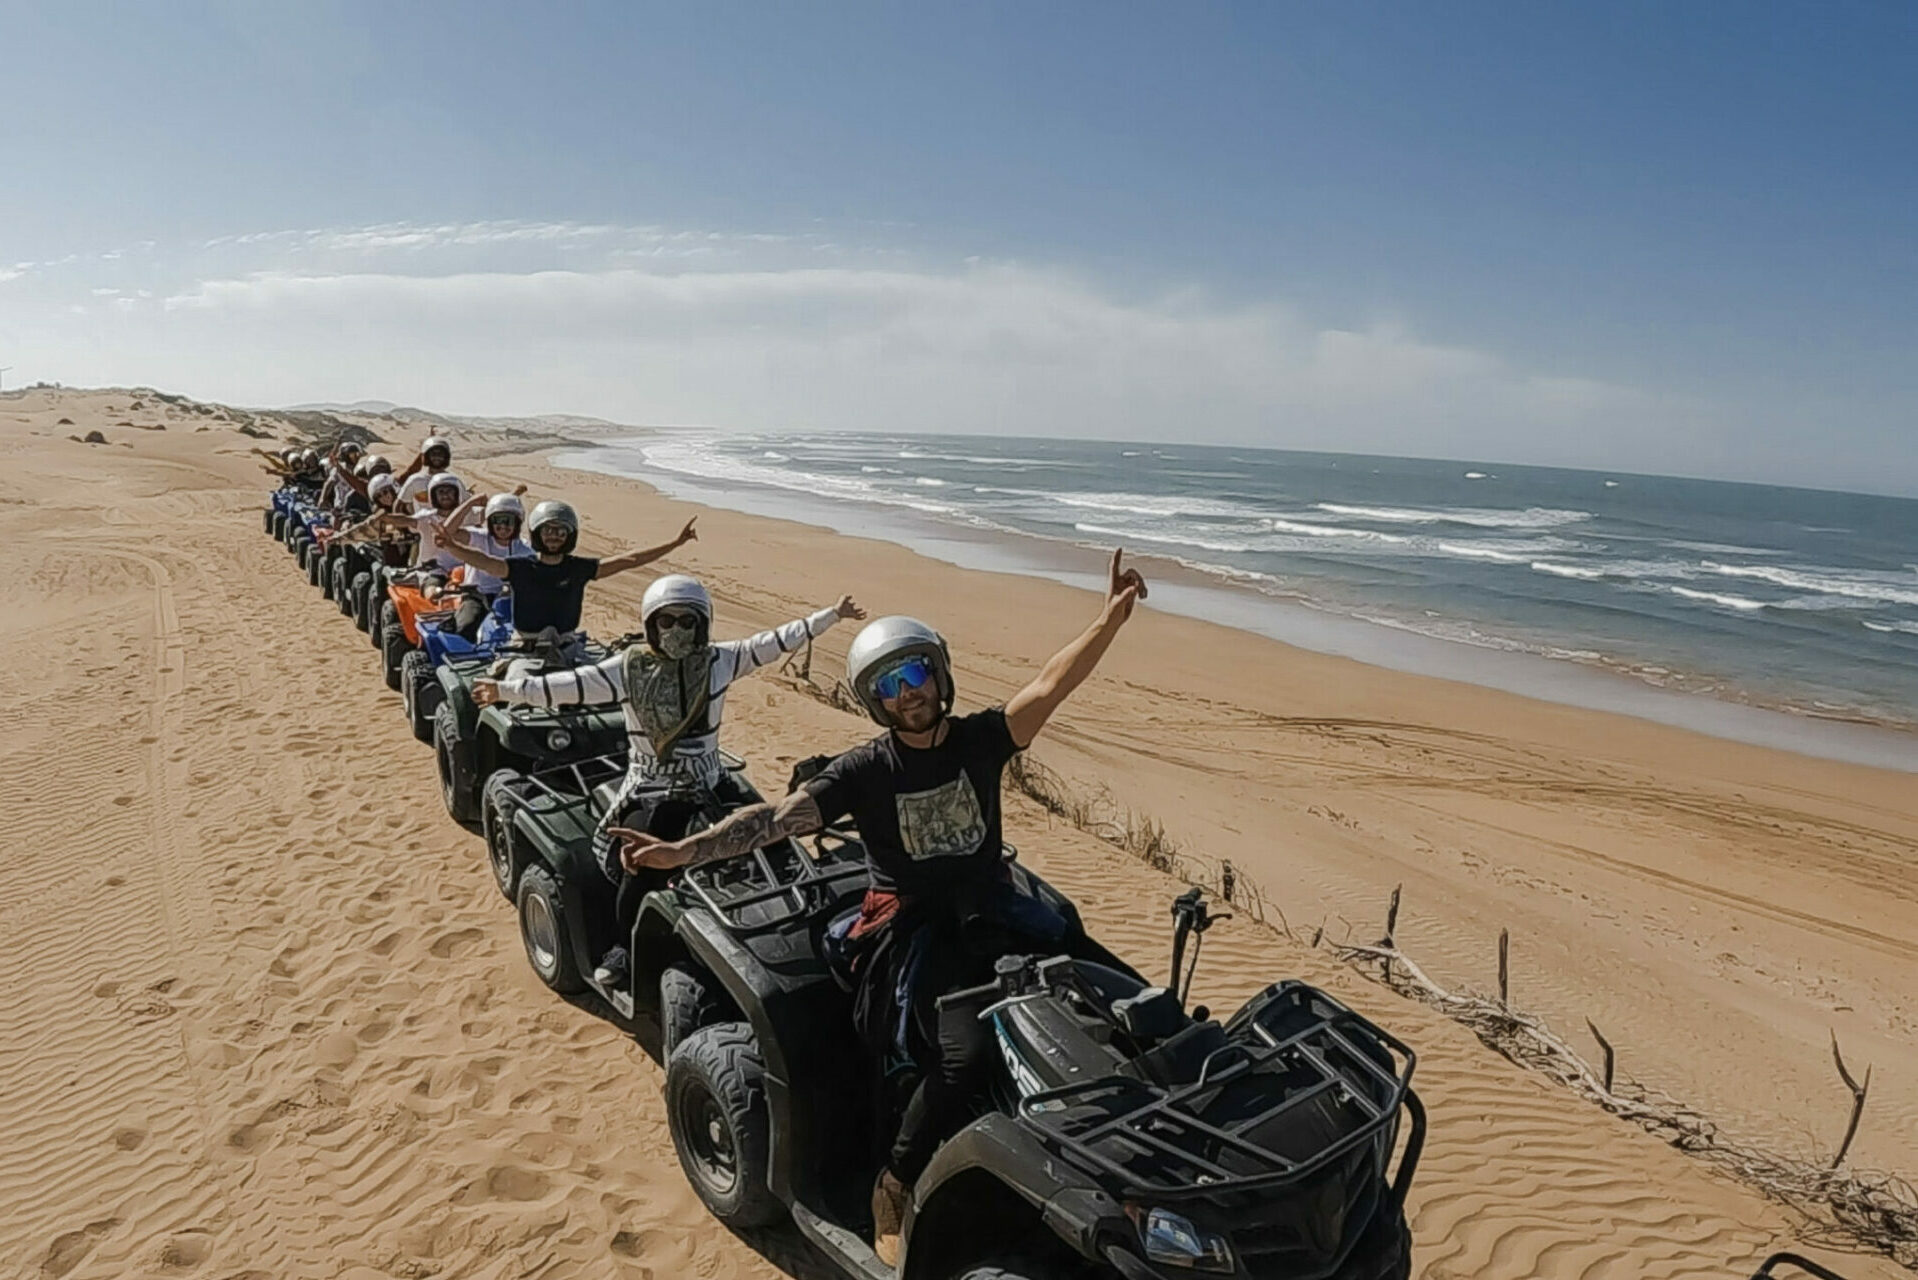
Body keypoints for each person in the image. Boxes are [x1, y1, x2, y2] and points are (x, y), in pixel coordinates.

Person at [611, 549, 1148, 1265]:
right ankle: (893, 1182)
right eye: (889, 686)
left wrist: (1108, 621)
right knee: (962, 1056)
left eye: (916, 674)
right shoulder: (867, 769)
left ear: (939, 674)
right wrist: (685, 853)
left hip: (996, 909)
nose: (907, 693)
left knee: (1103, 989)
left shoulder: (984, 740)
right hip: (916, 931)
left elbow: (1053, 684)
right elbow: (776, 818)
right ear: (875, 701)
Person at [474, 574, 866, 986]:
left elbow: (772, 643)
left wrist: (832, 616)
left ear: (703, 625)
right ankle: (624, 946)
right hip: (649, 789)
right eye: (667, 621)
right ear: (651, 626)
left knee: (770, 844)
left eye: (687, 621)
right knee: (639, 863)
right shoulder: (628, 669)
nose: (677, 630)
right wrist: (506, 690)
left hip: (711, 783)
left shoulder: (720, 661)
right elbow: (569, 687)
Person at [428, 501, 697, 665]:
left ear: (570, 535)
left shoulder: (579, 568)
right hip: (525, 652)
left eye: (560, 531)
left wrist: (675, 543)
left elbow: (630, 559)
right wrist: (452, 546)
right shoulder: (520, 567)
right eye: (548, 530)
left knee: (611, 689)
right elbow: (483, 560)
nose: (554, 536)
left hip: (570, 649)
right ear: (537, 534)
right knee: (514, 698)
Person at [433, 486, 533, 640]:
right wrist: (469, 503)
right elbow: (446, 532)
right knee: (466, 627)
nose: (503, 526)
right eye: (497, 520)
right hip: (477, 596)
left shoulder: (526, 549)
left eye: (509, 521)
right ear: (490, 522)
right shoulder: (479, 537)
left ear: (518, 523)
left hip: (511, 599)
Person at [394, 436, 453, 512]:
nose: (437, 457)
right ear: (426, 456)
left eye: (440, 454)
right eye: (433, 454)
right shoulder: (415, 480)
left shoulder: (452, 481)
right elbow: (399, 505)